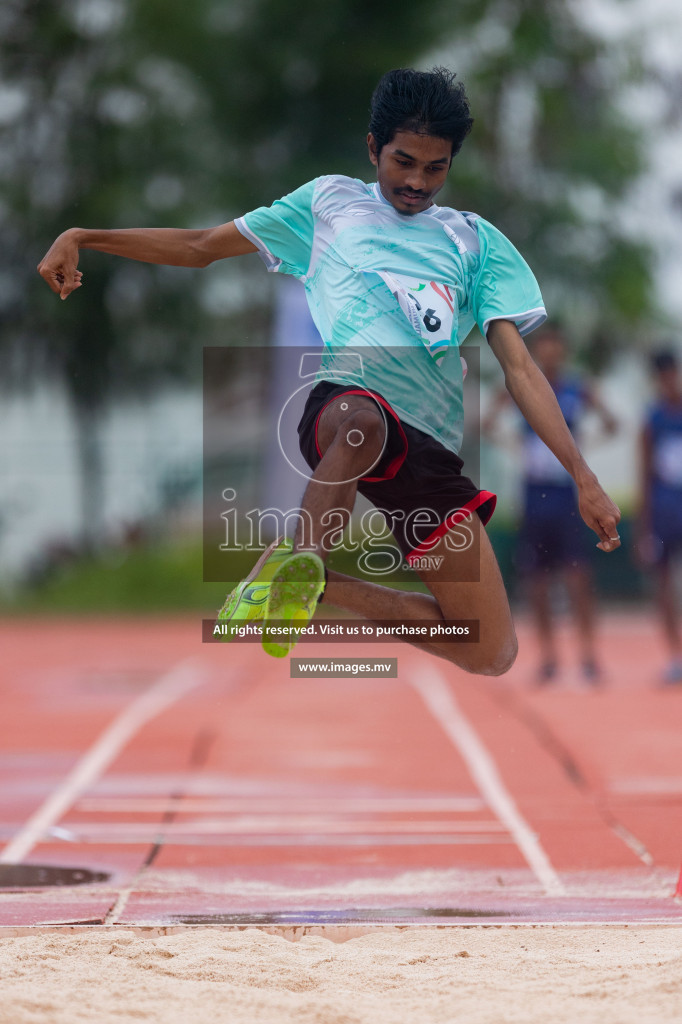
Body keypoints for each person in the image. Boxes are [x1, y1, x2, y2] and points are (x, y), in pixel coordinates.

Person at [37, 66, 621, 674]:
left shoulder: (476, 243)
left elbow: (521, 370)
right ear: (372, 148)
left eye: (436, 167)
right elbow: (200, 247)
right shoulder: (327, 204)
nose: (417, 182)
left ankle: (310, 582)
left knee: (489, 648)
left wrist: (583, 476)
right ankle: (302, 557)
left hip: (430, 451)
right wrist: (85, 236)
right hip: (345, 410)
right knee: (366, 422)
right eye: (403, 161)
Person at [483, 324, 618, 684]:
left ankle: (588, 655)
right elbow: (486, 423)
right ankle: (548, 657)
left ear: (563, 349)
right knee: (537, 582)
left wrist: (583, 445)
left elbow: (612, 423)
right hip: (534, 494)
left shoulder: (576, 388)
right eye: (543, 345)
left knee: (577, 577)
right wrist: (515, 446)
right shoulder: (522, 387)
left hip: (568, 497)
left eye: (554, 344)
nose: (549, 351)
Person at [637, 349, 682, 685]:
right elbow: (645, 475)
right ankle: (675, 655)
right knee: (664, 586)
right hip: (666, 511)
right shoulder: (652, 419)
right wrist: (643, 528)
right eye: (663, 377)